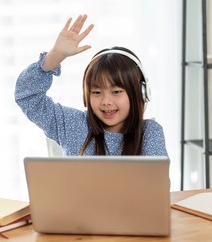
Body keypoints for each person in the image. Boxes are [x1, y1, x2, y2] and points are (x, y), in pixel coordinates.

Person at [15, 15, 167, 156]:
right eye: (96, 92)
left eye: (116, 91)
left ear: (139, 93)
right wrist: (55, 56)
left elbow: (156, 183)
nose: (106, 101)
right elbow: (27, 97)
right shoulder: (73, 124)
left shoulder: (150, 133)